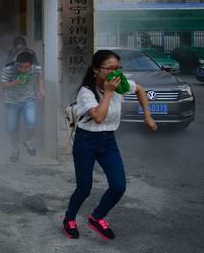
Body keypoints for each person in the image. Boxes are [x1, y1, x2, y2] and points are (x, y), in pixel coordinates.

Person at [62, 50, 157, 241]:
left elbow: (140, 89)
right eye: (110, 68)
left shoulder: (120, 83)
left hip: (108, 141)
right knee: (84, 188)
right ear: (96, 70)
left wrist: (147, 115)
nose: (115, 73)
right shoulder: (86, 92)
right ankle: (69, 219)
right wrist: (108, 92)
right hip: (86, 141)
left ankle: (96, 217)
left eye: (117, 68)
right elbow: (98, 117)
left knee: (119, 185)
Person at [0, 51, 45, 163]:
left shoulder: (36, 68)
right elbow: (3, 86)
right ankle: (15, 149)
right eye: (20, 66)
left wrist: (41, 88)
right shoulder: (8, 69)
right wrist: (15, 82)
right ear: (16, 63)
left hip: (28, 99)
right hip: (11, 102)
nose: (23, 70)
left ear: (31, 64)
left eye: (26, 67)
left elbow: (40, 75)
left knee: (32, 122)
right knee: (11, 129)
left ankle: (27, 140)